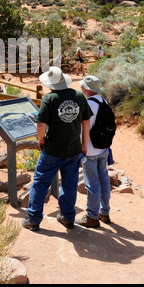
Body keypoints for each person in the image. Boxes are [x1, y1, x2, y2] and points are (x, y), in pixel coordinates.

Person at [22, 67, 92, 231]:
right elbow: (86, 123)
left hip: (53, 150)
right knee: (70, 184)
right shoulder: (79, 96)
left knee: (40, 182)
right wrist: (84, 144)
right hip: (74, 149)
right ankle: (68, 217)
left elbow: (40, 125)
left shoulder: (50, 98)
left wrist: (41, 139)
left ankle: (33, 219)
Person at [76, 75, 111, 228]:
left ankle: (92, 216)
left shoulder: (87, 104)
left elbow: (84, 127)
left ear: (88, 89)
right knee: (104, 179)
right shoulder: (104, 101)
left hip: (89, 149)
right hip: (103, 148)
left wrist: (80, 146)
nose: (81, 88)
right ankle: (104, 212)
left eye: (83, 86)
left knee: (92, 182)